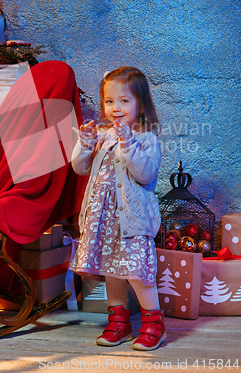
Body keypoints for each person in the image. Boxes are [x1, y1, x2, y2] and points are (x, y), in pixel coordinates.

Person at [70, 66, 165, 351]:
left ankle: (153, 324)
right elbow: (80, 167)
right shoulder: (103, 135)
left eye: (124, 101)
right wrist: (85, 143)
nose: (116, 108)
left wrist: (129, 143)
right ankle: (119, 321)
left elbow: (145, 175)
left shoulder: (146, 139)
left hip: (132, 221)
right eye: (110, 102)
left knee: (137, 270)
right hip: (104, 219)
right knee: (111, 269)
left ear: (141, 104)